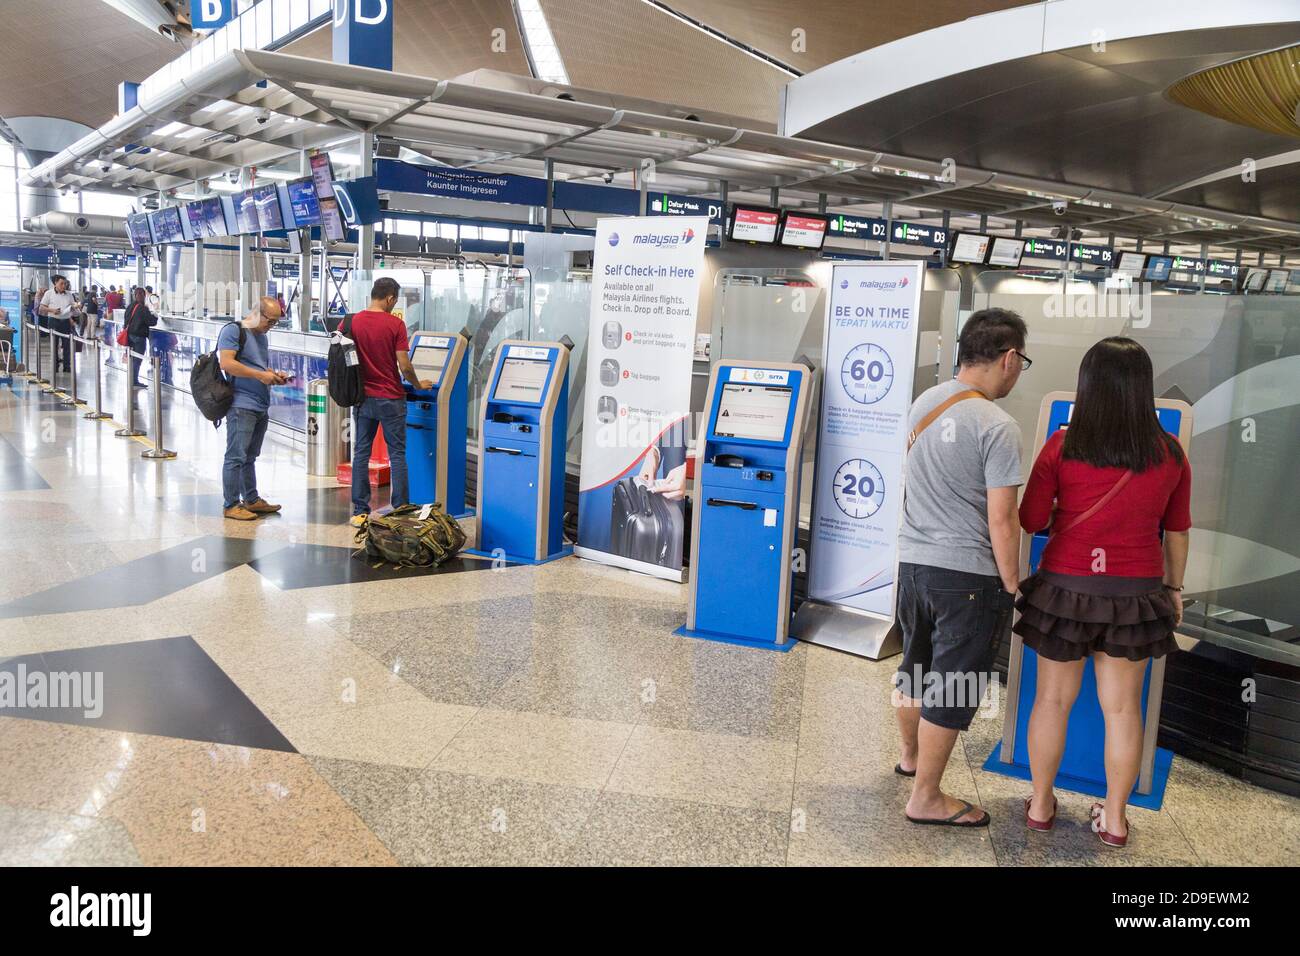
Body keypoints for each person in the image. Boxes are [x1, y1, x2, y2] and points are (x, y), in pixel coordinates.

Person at [1016, 337, 1190, 848]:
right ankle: (1114, 819)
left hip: (1065, 589)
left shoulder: (1062, 446)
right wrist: (1174, 589)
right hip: (1135, 595)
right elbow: (1177, 530)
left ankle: (1042, 804)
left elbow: (1030, 518)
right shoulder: (1170, 453)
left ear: (1088, 386)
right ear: (1143, 389)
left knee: (1051, 701)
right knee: (1122, 710)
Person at [893, 308, 1028, 828]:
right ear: (1009, 358)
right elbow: (1002, 518)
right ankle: (927, 797)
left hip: (913, 564)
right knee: (955, 683)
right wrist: (1014, 584)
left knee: (915, 667)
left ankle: (910, 760)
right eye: (1022, 363)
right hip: (967, 578)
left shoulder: (924, 403)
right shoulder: (997, 426)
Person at [347, 277, 431, 527]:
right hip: (391, 397)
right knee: (397, 454)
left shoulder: (352, 321)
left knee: (361, 453)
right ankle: (400, 508)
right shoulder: (395, 324)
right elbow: (404, 365)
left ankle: (360, 510)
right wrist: (418, 384)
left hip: (362, 397)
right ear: (391, 299)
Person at [218, 297, 290, 521]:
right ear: (257, 312)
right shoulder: (233, 331)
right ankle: (231, 504)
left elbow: (259, 365)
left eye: (276, 322)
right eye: (270, 321)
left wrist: (273, 375)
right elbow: (227, 363)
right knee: (236, 456)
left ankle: (251, 499)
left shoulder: (262, 338)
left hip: (260, 403)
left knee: (250, 456)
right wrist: (260, 375)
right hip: (241, 404)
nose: (272, 326)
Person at [39, 276, 80, 374]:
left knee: (67, 345)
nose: (64, 285)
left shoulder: (69, 294)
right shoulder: (49, 293)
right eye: (61, 283)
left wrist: (75, 307)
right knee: (54, 344)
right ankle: (55, 365)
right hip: (54, 321)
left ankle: (67, 366)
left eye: (65, 283)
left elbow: (73, 305)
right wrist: (52, 310)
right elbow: (42, 307)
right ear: (55, 283)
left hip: (65, 322)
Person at [124, 287, 157, 388]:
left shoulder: (130, 306)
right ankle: (134, 381)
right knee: (137, 360)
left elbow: (126, 319)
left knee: (132, 358)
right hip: (139, 337)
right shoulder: (143, 308)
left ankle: (131, 379)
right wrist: (155, 315)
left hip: (129, 336)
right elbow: (152, 322)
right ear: (144, 296)